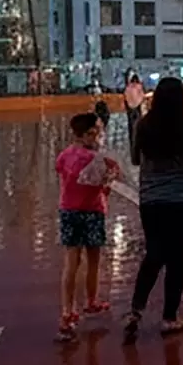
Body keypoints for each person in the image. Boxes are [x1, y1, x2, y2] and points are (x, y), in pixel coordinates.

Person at [124, 76, 183, 338]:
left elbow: (136, 159)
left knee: (154, 253)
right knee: (176, 259)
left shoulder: (143, 126)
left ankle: (136, 310)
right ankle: (169, 318)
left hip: (152, 200)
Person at [55, 111, 121, 343]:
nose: (99, 136)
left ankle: (67, 311)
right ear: (86, 134)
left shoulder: (65, 156)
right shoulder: (100, 159)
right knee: (93, 259)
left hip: (69, 211)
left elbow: (62, 173)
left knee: (72, 262)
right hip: (93, 211)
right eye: (96, 132)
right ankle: (90, 301)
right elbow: (111, 178)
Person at [123, 71, 145, 144]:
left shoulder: (128, 87)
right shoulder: (139, 86)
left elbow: (126, 97)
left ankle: (132, 140)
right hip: (137, 108)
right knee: (138, 124)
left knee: (131, 125)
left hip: (130, 109)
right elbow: (142, 96)